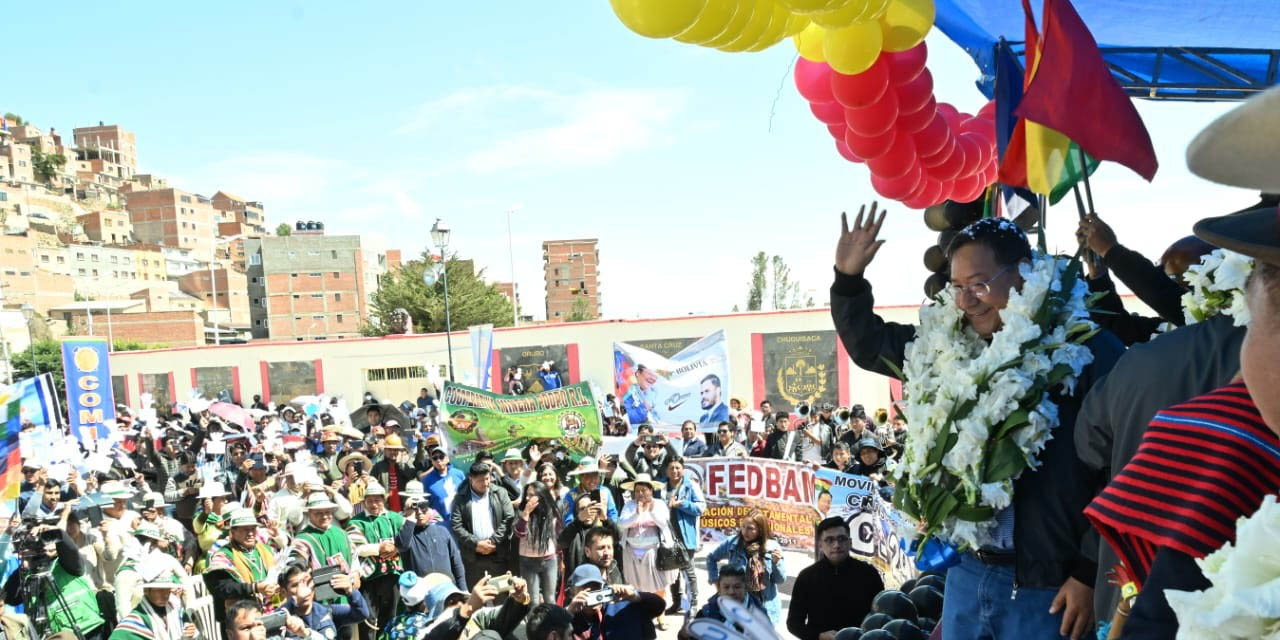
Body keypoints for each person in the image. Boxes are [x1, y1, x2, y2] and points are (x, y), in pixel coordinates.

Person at [832, 205, 1124, 639]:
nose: (966, 301)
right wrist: (848, 278)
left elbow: (1122, 470)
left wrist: (1087, 572)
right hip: (968, 572)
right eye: (957, 287)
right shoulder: (944, 345)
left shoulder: (1083, 351)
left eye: (979, 285)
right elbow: (870, 344)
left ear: (1025, 272)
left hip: (1047, 586)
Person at [3, 516, 107, 640]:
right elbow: (10, 598)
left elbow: (70, 549)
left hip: (88, 629)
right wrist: (24, 565)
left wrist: (56, 533)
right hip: (57, 635)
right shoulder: (27, 575)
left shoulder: (64, 563)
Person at [786, 517, 884, 640]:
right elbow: (793, 623)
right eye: (829, 540)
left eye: (842, 539)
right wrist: (818, 636)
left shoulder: (869, 574)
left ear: (850, 542)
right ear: (821, 545)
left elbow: (881, 616)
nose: (836, 545)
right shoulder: (807, 577)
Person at [616, 473, 678, 630]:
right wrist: (636, 513)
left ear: (651, 490)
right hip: (632, 551)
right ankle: (641, 614)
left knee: (658, 585)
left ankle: (660, 614)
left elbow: (664, 522)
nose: (641, 494)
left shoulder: (659, 504)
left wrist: (650, 511)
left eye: (644, 490)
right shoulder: (629, 505)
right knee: (637, 585)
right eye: (637, 491)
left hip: (653, 550)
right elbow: (622, 524)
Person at [346, 480, 405, 640]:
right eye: (370, 501)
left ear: (384, 500)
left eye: (377, 500)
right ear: (364, 502)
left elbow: (408, 540)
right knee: (368, 619)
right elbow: (356, 548)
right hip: (369, 578)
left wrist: (396, 548)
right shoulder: (356, 522)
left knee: (391, 616)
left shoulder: (395, 518)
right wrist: (379, 549)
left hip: (393, 576)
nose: (374, 504)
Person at [705, 510, 786, 625]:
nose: (745, 532)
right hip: (739, 604)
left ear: (760, 530)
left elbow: (780, 580)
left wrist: (777, 563)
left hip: (765, 606)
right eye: (743, 527)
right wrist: (716, 581)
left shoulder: (772, 547)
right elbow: (711, 558)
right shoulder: (732, 543)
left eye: (750, 528)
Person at [450, 462, 515, 589]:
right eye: (480, 480)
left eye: (487, 478)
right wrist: (476, 544)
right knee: (476, 596)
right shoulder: (461, 498)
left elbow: (509, 517)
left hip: (498, 553)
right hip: (473, 556)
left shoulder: (500, 493)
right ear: (471, 479)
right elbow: (456, 525)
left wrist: (493, 541)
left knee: (501, 594)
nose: (485, 483)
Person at [291, 492, 357, 611]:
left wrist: (355, 574)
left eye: (327, 512)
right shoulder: (302, 539)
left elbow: (354, 557)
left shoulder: (342, 533)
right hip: (319, 600)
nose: (324, 516)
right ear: (309, 514)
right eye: (318, 513)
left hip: (346, 595)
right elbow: (297, 568)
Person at [564, 564, 665, 640]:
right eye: (586, 588)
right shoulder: (570, 618)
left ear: (603, 586)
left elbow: (660, 606)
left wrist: (635, 596)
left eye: (596, 587)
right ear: (573, 592)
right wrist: (568, 612)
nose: (592, 593)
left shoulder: (621, 603)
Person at [278, 563, 371, 640]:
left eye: (306, 582)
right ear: (283, 592)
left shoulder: (326, 612)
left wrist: (350, 591)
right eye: (295, 585)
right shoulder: (278, 620)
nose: (302, 589)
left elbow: (362, 613)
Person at [394, 490, 466, 589]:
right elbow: (402, 545)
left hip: (447, 588)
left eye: (423, 508)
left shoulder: (442, 531)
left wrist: (463, 589)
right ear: (406, 512)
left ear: (429, 510)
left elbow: (457, 563)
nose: (419, 512)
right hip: (420, 592)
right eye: (414, 508)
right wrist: (410, 517)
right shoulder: (406, 534)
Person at [108, 559, 196, 640]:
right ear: (146, 590)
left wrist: (190, 632)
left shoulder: (177, 613)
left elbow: (188, 630)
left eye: (168, 589)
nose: (165, 594)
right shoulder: (134, 623)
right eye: (159, 590)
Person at [663, 457, 705, 615]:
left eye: (678, 468)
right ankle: (677, 602)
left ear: (683, 469)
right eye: (671, 468)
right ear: (666, 470)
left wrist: (683, 505)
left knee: (689, 572)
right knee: (673, 572)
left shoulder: (690, 485)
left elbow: (701, 507)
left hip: (686, 537)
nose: (674, 471)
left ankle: (693, 604)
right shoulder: (661, 486)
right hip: (667, 537)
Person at [558, 496, 624, 587]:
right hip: (579, 585)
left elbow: (618, 538)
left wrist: (605, 519)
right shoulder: (573, 531)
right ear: (577, 512)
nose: (587, 512)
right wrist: (578, 520)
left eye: (591, 508)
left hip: (606, 582)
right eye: (582, 509)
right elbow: (562, 542)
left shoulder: (601, 530)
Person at [514, 481, 562, 606]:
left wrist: (561, 559)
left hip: (549, 560)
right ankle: (533, 625)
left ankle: (551, 625)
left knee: (550, 599)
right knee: (533, 601)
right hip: (528, 561)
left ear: (541, 496)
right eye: (527, 494)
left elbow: (559, 535)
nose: (527, 498)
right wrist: (526, 513)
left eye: (531, 495)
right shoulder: (521, 511)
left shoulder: (552, 511)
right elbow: (519, 533)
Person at [689, 565, 767, 632]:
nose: (731, 592)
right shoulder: (705, 615)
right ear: (719, 589)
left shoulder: (760, 615)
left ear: (745, 588)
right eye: (726, 587)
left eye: (737, 587)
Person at [370, 435, 421, 514]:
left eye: (396, 450)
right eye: (390, 449)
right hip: (385, 508)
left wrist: (400, 463)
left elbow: (412, 476)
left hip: (404, 508)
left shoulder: (406, 464)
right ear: (385, 450)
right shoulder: (378, 466)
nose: (393, 452)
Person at [562, 459, 619, 526]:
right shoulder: (570, 495)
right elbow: (567, 520)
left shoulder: (605, 491)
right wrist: (581, 518)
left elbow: (613, 514)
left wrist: (607, 522)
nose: (592, 479)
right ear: (581, 477)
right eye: (588, 476)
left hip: (601, 533)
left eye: (595, 475)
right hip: (580, 533)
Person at [421, 447, 465, 519]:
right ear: (432, 461)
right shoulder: (427, 480)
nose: (438, 460)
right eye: (435, 458)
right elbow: (425, 504)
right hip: (440, 524)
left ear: (447, 459)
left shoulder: (459, 474)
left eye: (441, 457)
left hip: (461, 520)